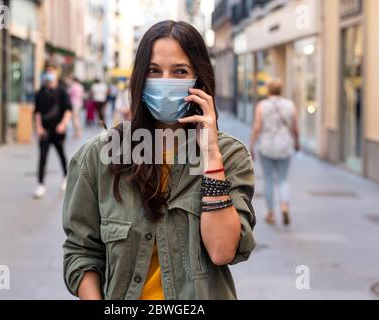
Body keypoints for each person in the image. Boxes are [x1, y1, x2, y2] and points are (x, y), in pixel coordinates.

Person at [62, 20, 256, 300]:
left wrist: (211, 155)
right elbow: (82, 252)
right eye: (154, 71)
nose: (166, 81)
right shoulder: (98, 157)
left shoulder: (229, 155)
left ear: (199, 79)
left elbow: (222, 250)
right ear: (140, 77)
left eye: (180, 71)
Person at [249, 79, 300, 226]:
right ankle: (284, 205)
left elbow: (257, 127)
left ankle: (271, 212)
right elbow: (295, 127)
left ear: (268, 90)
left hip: (267, 146)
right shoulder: (290, 105)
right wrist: (297, 142)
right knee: (283, 179)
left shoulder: (262, 106)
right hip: (285, 146)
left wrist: (251, 145)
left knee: (269, 179)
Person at [33, 62, 72, 199]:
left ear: (56, 73)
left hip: (58, 130)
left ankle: (66, 176)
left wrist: (63, 124)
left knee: (61, 153)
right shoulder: (40, 92)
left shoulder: (62, 92)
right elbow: (37, 112)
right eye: (47, 70)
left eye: (51, 70)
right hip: (44, 130)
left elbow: (68, 110)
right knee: (42, 156)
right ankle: (40, 184)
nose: (49, 73)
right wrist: (38, 127)